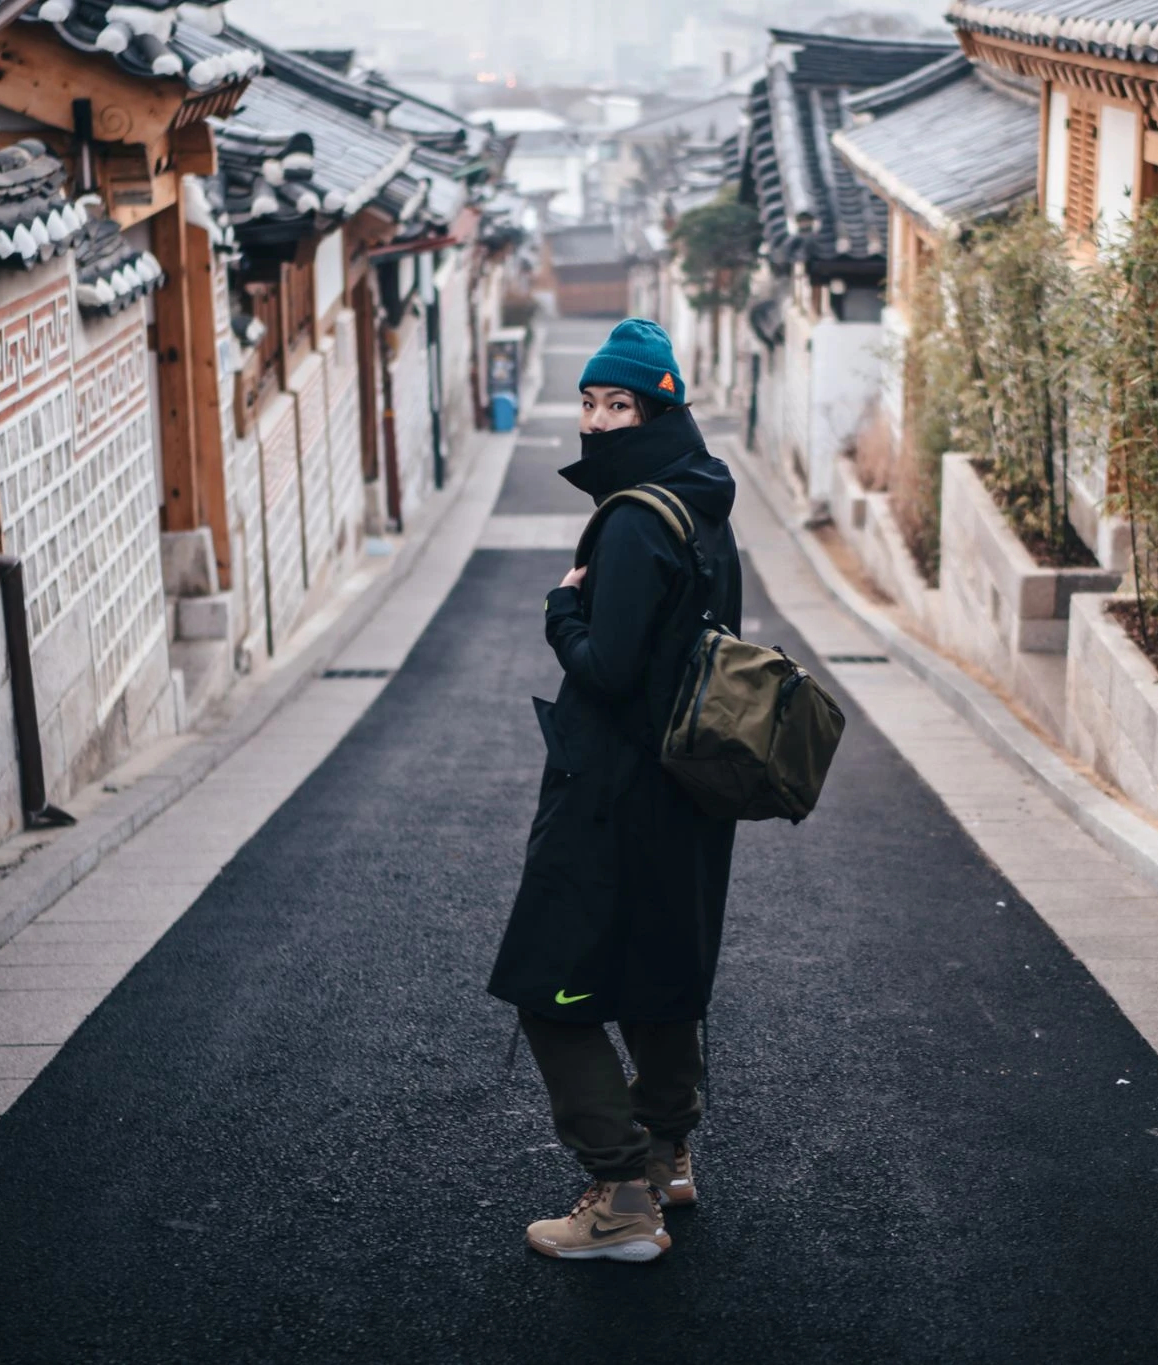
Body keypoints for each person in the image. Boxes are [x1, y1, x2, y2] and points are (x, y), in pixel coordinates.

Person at [487, 319, 743, 1263]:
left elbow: (610, 668)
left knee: (548, 987)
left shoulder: (635, 519)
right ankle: (670, 1153)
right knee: (661, 972)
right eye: (589, 402)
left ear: (659, 406)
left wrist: (562, 610)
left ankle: (623, 1196)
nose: (596, 422)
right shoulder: (703, 505)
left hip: (613, 794)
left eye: (619, 404)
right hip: (685, 789)